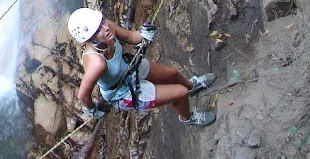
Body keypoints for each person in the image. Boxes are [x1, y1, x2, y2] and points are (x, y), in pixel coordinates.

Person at [68, 8, 216, 127]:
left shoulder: (107, 27)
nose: (105, 28)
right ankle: (187, 117)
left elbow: (131, 37)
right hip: (122, 91)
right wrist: (93, 108)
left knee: (173, 74)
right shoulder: (96, 63)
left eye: (102, 23)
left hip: (128, 67)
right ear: (89, 39)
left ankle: (192, 86)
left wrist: (144, 33)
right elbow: (82, 95)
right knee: (180, 92)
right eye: (98, 29)